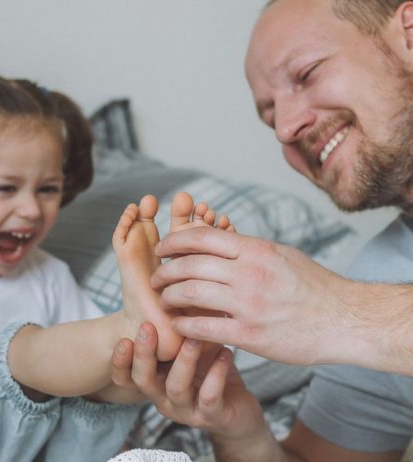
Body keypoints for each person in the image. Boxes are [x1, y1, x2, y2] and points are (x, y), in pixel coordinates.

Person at [112, 0, 413, 460]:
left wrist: (336, 310)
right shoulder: (380, 272)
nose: (287, 129)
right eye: (270, 117)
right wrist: (239, 428)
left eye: (307, 73)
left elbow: (346, 313)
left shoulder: (356, 304)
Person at [0, 72, 233, 461]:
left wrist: (141, 367)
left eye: (47, 189)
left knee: (110, 383)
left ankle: (155, 336)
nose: (32, 210)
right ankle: (134, 326)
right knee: (21, 353)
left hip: (42, 452)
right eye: (6, 188)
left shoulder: (49, 275)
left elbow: (95, 389)